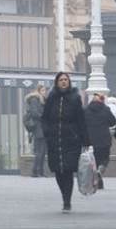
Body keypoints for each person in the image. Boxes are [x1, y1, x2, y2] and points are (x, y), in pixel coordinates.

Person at [41, 72, 89, 213]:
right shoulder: (51, 98)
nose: (63, 82)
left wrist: (85, 139)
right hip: (54, 138)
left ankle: (67, 201)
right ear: (57, 82)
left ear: (69, 82)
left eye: (65, 80)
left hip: (71, 139)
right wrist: (47, 132)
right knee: (57, 170)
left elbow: (81, 119)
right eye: (61, 80)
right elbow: (45, 118)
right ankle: (64, 195)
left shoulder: (75, 98)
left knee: (68, 170)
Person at [84, 90, 116, 189]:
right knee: (105, 159)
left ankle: (96, 179)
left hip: (90, 140)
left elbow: (81, 124)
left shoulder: (86, 110)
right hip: (104, 140)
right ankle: (100, 170)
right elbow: (113, 122)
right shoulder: (105, 109)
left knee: (94, 161)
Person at [23, 86, 46, 177]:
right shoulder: (35, 99)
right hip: (38, 127)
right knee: (39, 150)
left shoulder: (42, 101)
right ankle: (35, 171)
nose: (44, 92)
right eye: (43, 90)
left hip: (43, 128)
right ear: (39, 91)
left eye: (45, 90)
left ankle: (40, 171)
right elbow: (34, 113)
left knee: (43, 151)